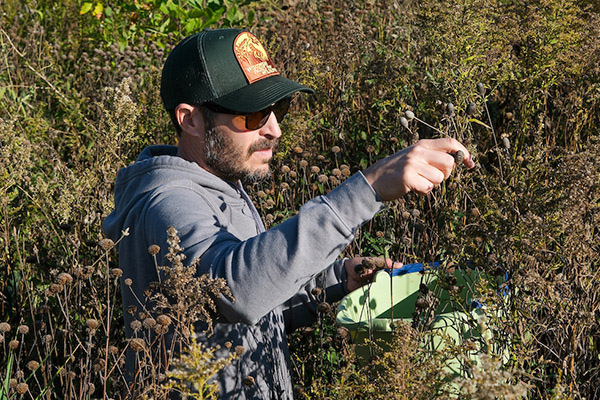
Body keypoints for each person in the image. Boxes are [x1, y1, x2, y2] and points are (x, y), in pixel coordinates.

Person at [103, 28, 474, 399]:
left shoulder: (222, 182)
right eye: (253, 115)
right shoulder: (167, 202)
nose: (274, 129)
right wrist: (369, 188)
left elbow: (235, 309)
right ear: (191, 120)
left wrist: (334, 282)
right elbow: (236, 291)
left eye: (278, 109)